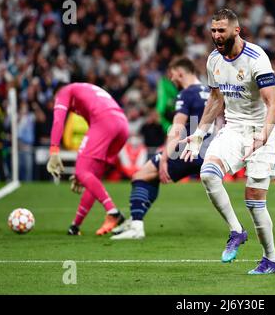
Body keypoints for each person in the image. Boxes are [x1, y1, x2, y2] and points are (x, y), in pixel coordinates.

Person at [180, 9, 275, 275]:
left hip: (264, 131)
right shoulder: (213, 59)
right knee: (208, 174)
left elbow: (272, 103)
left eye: (221, 30)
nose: (216, 35)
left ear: (236, 30)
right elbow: (216, 99)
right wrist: (200, 133)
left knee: (254, 200)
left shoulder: (256, 57)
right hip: (234, 128)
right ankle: (236, 231)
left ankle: (270, 259)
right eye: (213, 30)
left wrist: (263, 134)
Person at [110, 57, 212, 239]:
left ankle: (136, 227)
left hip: (187, 149)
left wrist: (165, 157)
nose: (171, 79)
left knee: (139, 176)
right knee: (151, 178)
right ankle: (135, 219)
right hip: (208, 149)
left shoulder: (186, 94)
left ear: (181, 72)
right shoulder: (209, 91)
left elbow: (177, 128)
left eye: (172, 75)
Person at [46, 82, 129, 235]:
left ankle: (114, 213)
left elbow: (58, 121)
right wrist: (83, 176)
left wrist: (54, 151)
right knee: (91, 177)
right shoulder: (86, 91)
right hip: (122, 125)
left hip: (105, 121)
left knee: (82, 171)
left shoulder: (65, 91)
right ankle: (75, 226)